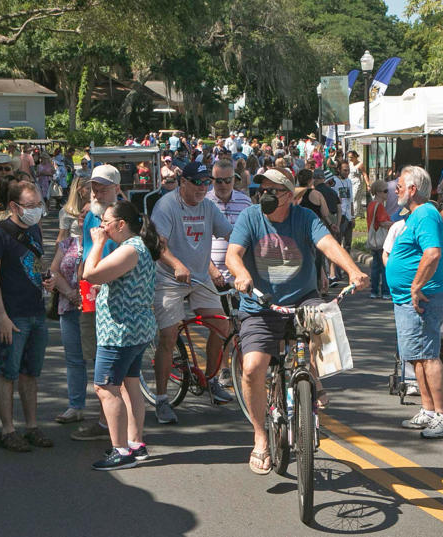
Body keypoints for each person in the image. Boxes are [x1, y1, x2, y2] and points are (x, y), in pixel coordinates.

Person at [225, 168, 369, 473]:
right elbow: (232, 254)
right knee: (252, 368)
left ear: (289, 195)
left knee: (326, 319)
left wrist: (353, 270)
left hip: (303, 298)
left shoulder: (304, 218)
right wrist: (242, 274)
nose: (264, 195)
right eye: (261, 188)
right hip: (260, 304)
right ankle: (261, 437)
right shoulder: (250, 217)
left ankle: (313, 378)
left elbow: (328, 244)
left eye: (272, 190)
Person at [150, 161, 234, 424]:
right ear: (182, 181)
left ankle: (211, 380)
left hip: (199, 277)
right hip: (169, 277)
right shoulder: (167, 206)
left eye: (206, 182)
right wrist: (176, 265)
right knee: (168, 335)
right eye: (197, 182)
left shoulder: (208, 207)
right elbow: (158, 245)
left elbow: (231, 233)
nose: (202, 188)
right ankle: (162, 400)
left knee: (222, 326)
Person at [82, 200, 162, 470]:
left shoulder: (130, 250)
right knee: (129, 384)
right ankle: (135, 443)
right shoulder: (137, 247)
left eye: (105, 221)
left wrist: (97, 244)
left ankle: (120, 450)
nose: (101, 226)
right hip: (135, 328)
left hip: (120, 332)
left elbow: (90, 274)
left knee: (105, 387)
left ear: (121, 224)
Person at [386, 166, 443, 439]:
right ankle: (428, 410)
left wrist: (415, 286)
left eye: (401, 185)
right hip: (409, 299)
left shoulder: (426, 213)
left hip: (422, 298)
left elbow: (433, 253)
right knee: (416, 356)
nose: (397, 189)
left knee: (428, 355)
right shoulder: (416, 215)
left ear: (413, 189)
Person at [0, 181, 54, 452]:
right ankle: (8, 430)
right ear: (14, 206)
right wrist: (1, 315)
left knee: (31, 373)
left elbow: (37, 264)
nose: (36, 210)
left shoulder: (35, 229)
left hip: (36, 310)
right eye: (31, 205)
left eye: (39, 204)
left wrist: (46, 279)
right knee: (8, 372)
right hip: (13, 314)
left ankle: (32, 426)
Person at [70, 164, 123, 441]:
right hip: (91, 292)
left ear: (117, 187)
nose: (97, 190)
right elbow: (87, 251)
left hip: (114, 292)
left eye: (103, 185)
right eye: (94, 185)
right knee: (98, 356)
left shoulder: (124, 217)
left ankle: (110, 425)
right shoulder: (91, 214)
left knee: (113, 360)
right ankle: (108, 420)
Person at [206, 160, 253, 386]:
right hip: (212, 274)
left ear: (234, 179)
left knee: (242, 323)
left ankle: (244, 367)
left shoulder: (245, 202)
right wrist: (211, 269)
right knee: (221, 325)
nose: (223, 185)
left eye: (227, 180)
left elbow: (252, 236)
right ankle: (221, 368)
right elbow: (195, 242)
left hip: (239, 274)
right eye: (218, 180)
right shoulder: (204, 202)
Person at [47, 204, 89, 424]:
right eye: (82, 213)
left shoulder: (108, 245)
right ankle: (76, 405)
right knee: (74, 359)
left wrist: (83, 294)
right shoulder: (67, 243)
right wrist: (70, 293)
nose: (83, 216)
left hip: (95, 309)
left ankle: (109, 409)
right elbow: (53, 270)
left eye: (89, 214)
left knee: (102, 359)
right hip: (68, 305)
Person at [367, 180, 393, 299]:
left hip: (374, 239)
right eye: (385, 191)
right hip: (382, 240)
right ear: (378, 192)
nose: (387, 193)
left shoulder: (371, 205)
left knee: (376, 267)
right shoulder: (380, 206)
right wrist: (395, 224)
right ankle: (386, 292)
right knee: (385, 266)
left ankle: (374, 290)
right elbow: (383, 222)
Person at [330, 160, 354, 284]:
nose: (347, 172)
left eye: (348, 170)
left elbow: (351, 200)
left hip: (348, 215)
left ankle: (348, 269)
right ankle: (336, 271)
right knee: (338, 243)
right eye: (345, 170)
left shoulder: (349, 182)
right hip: (340, 215)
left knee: (348, 244)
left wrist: (353, 216)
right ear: (338, 169)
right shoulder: (334, 181)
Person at [57, 176, 90, 242]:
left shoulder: (96, 209)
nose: (92, 192)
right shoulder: (66, 211)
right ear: (79, 190)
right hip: (74, 248)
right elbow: (62, 237)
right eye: (88, 188)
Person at [347, 151, 369, 219]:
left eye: (351, 157)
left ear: (356, 156)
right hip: (350, 182)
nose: (350, 159)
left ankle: (354, 215)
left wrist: (368, 184)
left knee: (354, 198)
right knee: (356, 198)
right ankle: (362, 214)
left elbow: (364, 174)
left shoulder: (360, 164)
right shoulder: (350, 163)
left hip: (357, 183)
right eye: (349, 157)